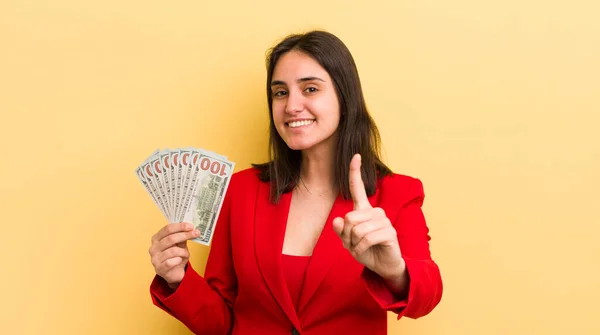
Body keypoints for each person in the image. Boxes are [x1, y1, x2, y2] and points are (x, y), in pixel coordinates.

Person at [148, 30, 443, 335]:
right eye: (280, 92)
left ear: (345, 96)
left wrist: (394, 271)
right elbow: (222, 324)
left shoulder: (398, 193)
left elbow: (427, 297)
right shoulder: (240, 192)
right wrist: (177, 278)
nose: (291, 106)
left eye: (310, 89)